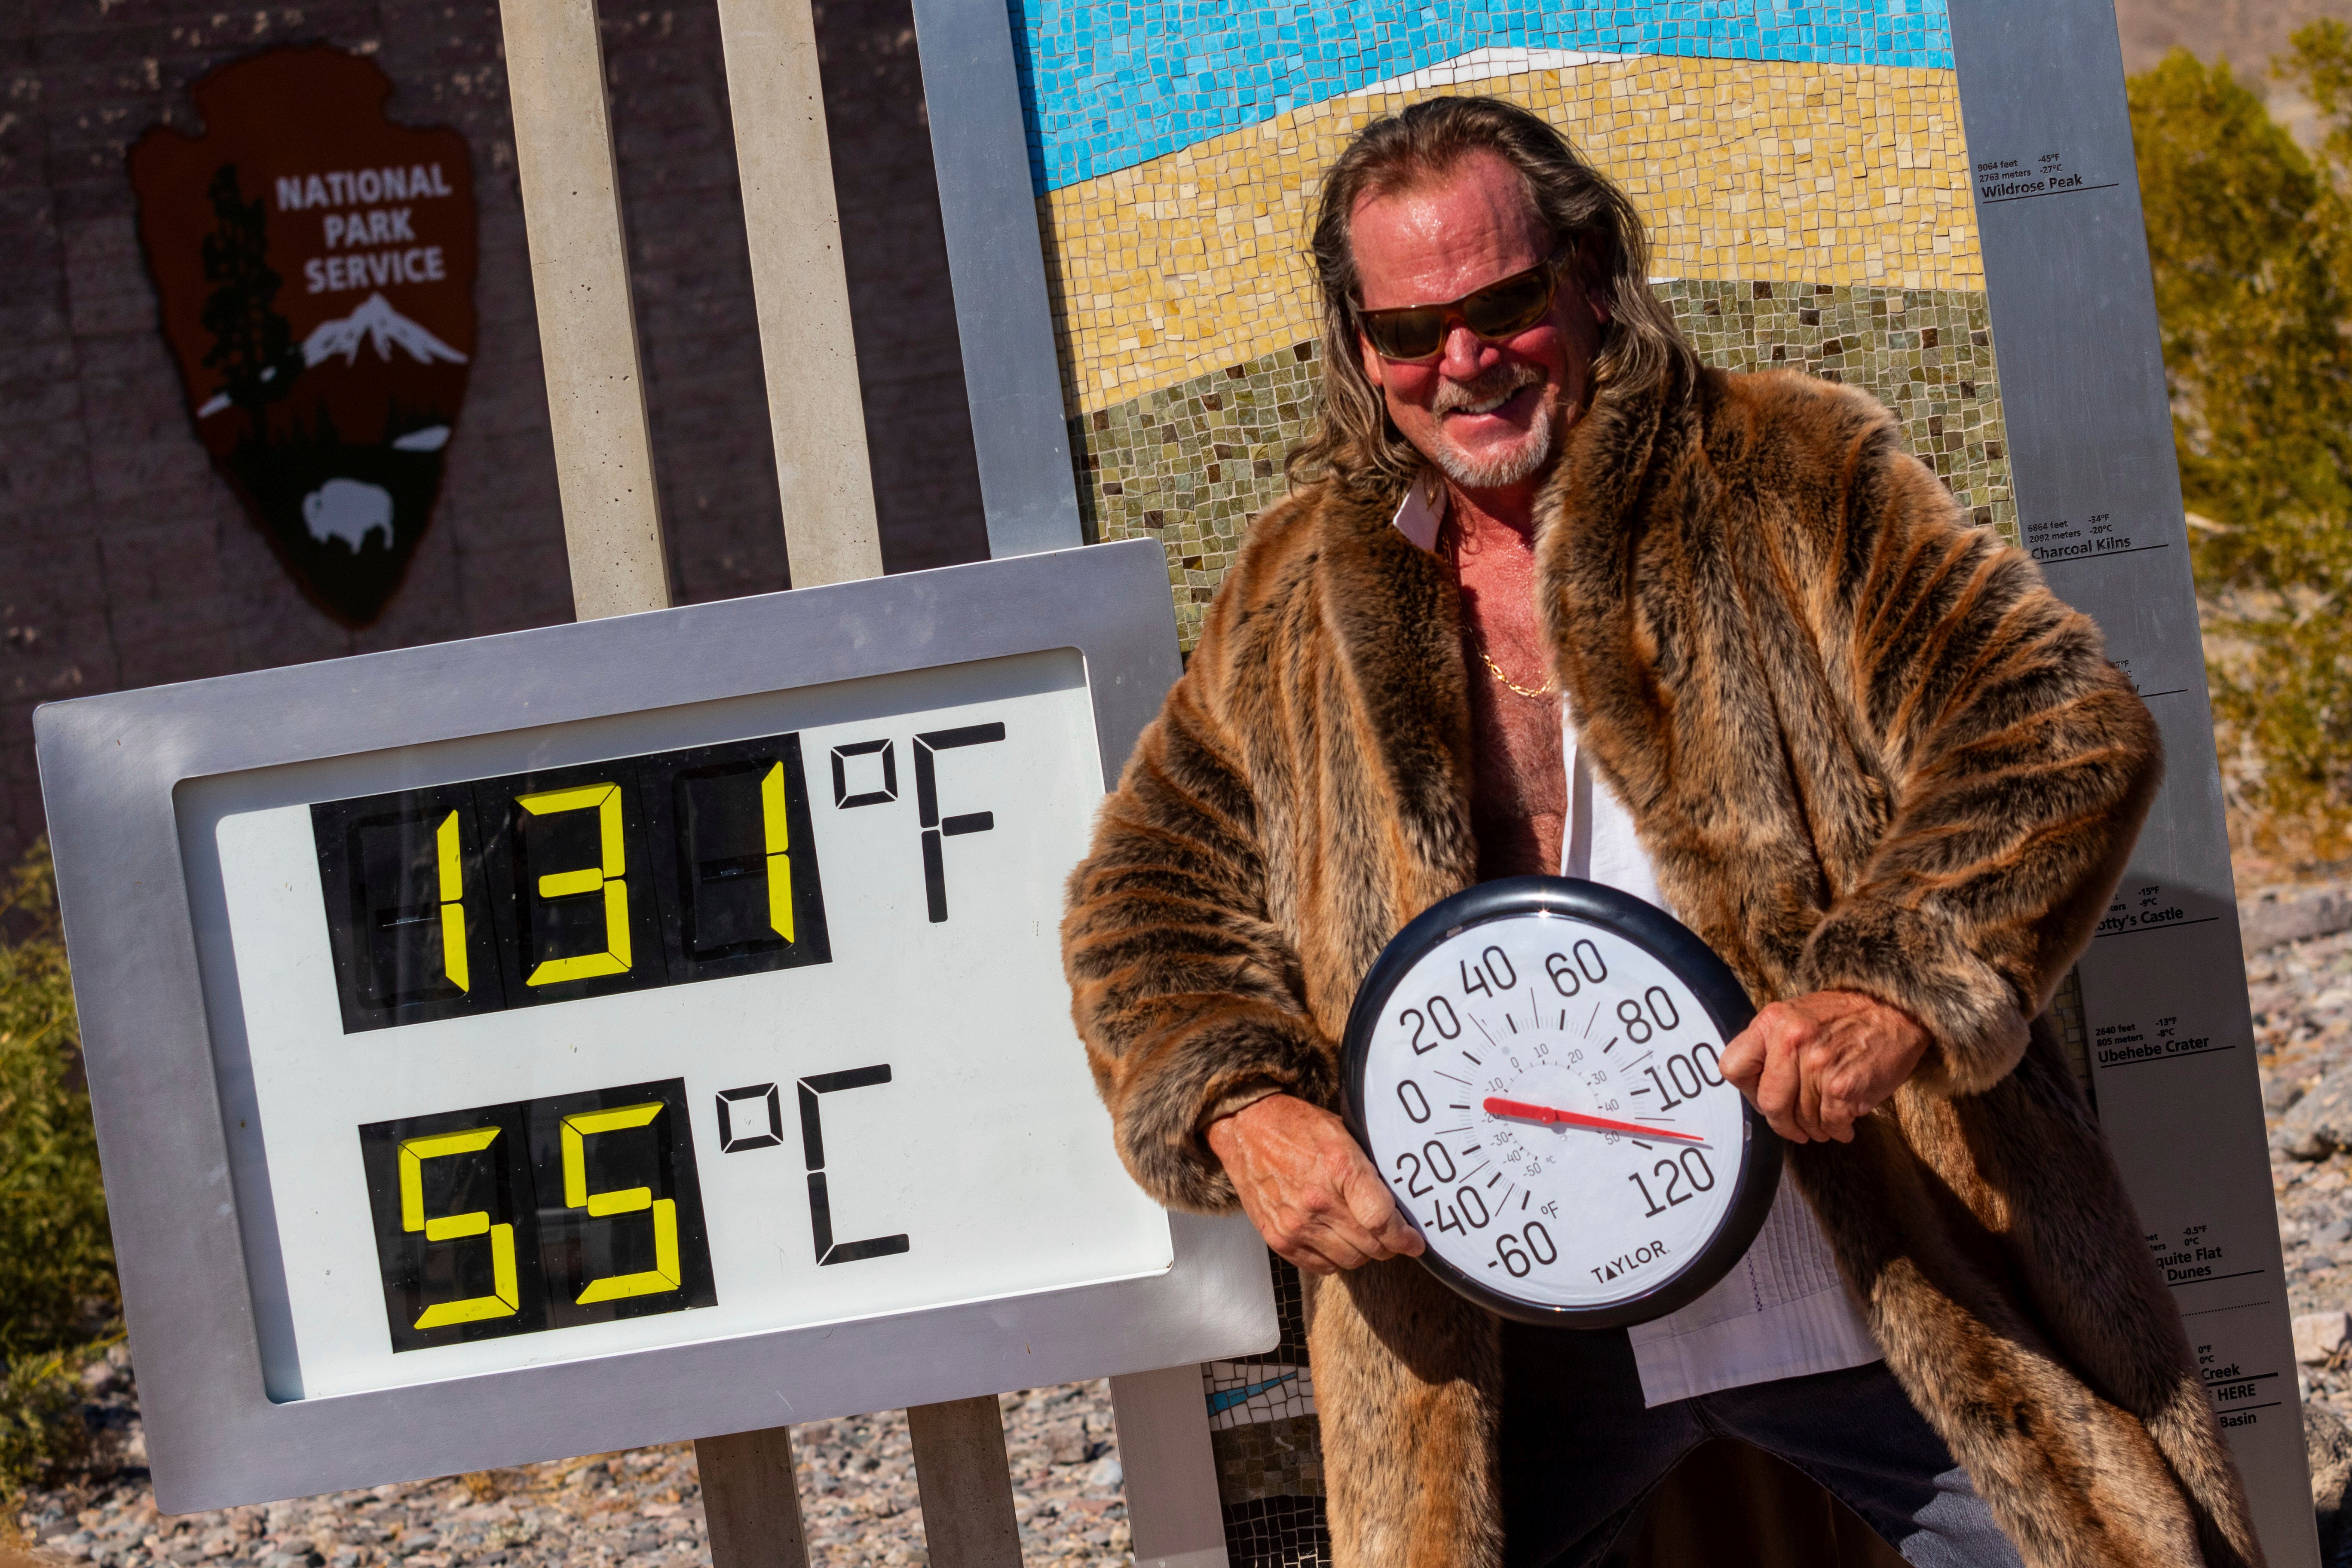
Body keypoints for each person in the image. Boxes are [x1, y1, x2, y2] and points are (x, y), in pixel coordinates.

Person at [1062, 95, 2263, 1568]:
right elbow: (1146, 899)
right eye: (1408, 332)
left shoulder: (1784, 471)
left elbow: (2057, 721)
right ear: (1357, 348)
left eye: (1503, 302)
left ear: (1587, 273)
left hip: (1869, 1247)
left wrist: (1895, 982)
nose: (1465, 361)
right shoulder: (1299, 594)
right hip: (1497, 1324)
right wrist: (1239, 1103)